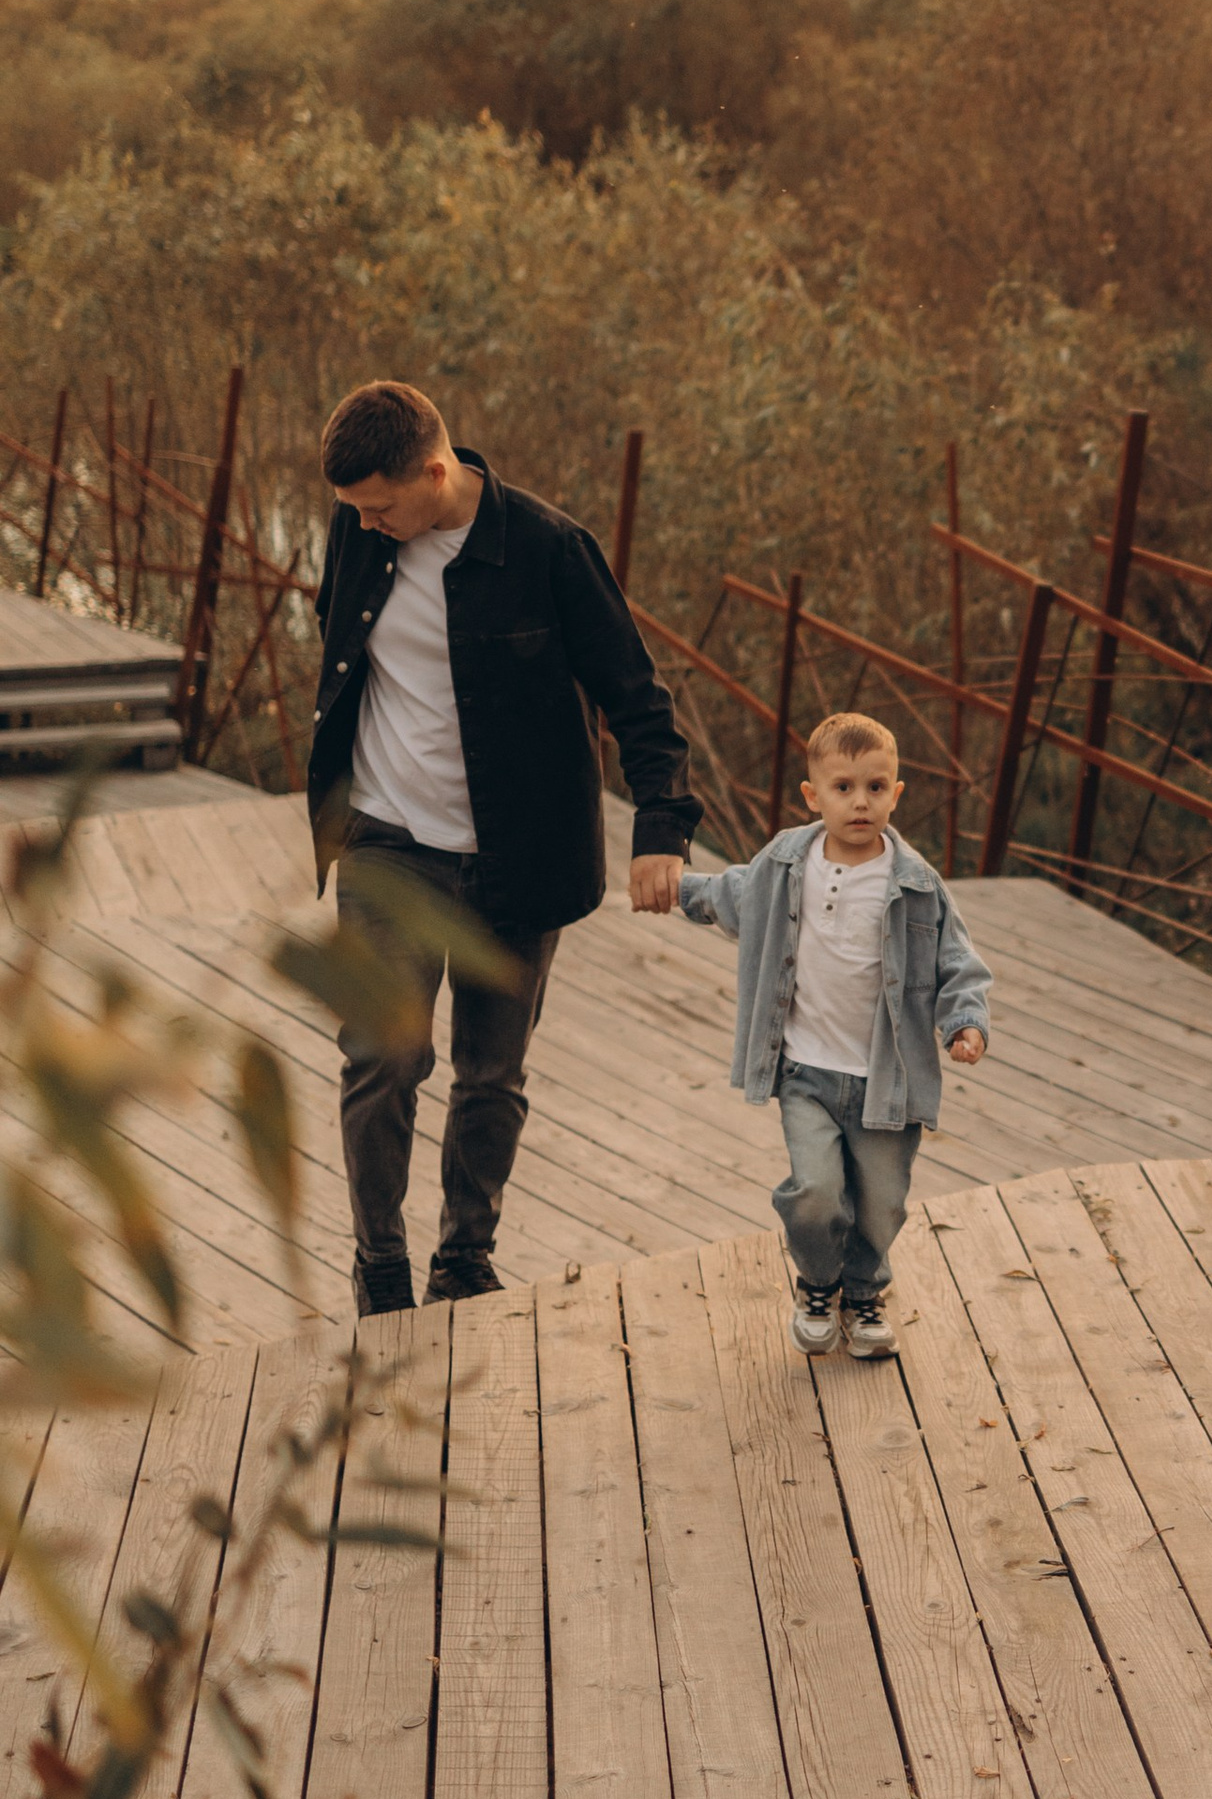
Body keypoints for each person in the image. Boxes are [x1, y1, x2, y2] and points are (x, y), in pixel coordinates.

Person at [310, 380, 700, 1316]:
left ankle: (464, 1261)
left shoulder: (549, 549)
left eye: (381, 508)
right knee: (384, 1060)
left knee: (492, 1074)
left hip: (516, 859)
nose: (366, 528)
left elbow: (640, 700)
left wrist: (661, 831)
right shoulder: (358, 533)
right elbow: (342, 654)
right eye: (353, 511)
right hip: (388, 844)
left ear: (436, 472)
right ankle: (382, 1267)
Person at [674, 709, 992, 1358]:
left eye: (876, 787)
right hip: (806, 1073)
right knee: (816, 1193)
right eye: (843, 788)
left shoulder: (918, 885)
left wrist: (964, 1022)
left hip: (888, 1082)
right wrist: (676, 888)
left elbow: (957, 964)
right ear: (813, 796)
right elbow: (733, 894)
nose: (860, 802)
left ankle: (865, 1293)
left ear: (896, 794)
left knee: (881, 1205)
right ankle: (819, 1282)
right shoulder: (787, 864)